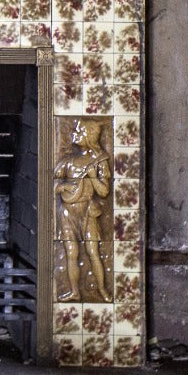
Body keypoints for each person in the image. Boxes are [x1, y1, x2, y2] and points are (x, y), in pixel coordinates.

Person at [54, 119, 111, 302]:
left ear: (89, 136)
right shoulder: (69, 161)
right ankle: (74, 291)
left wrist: (93, 178)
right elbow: (53, 183)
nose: (73, 135)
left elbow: (104, 192)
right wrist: (63, 187)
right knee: (71, 252)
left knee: (93, 251)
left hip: (88, 211)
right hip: (68, 212)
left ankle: (102, 289)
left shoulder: (99, 162)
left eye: (78, 132)